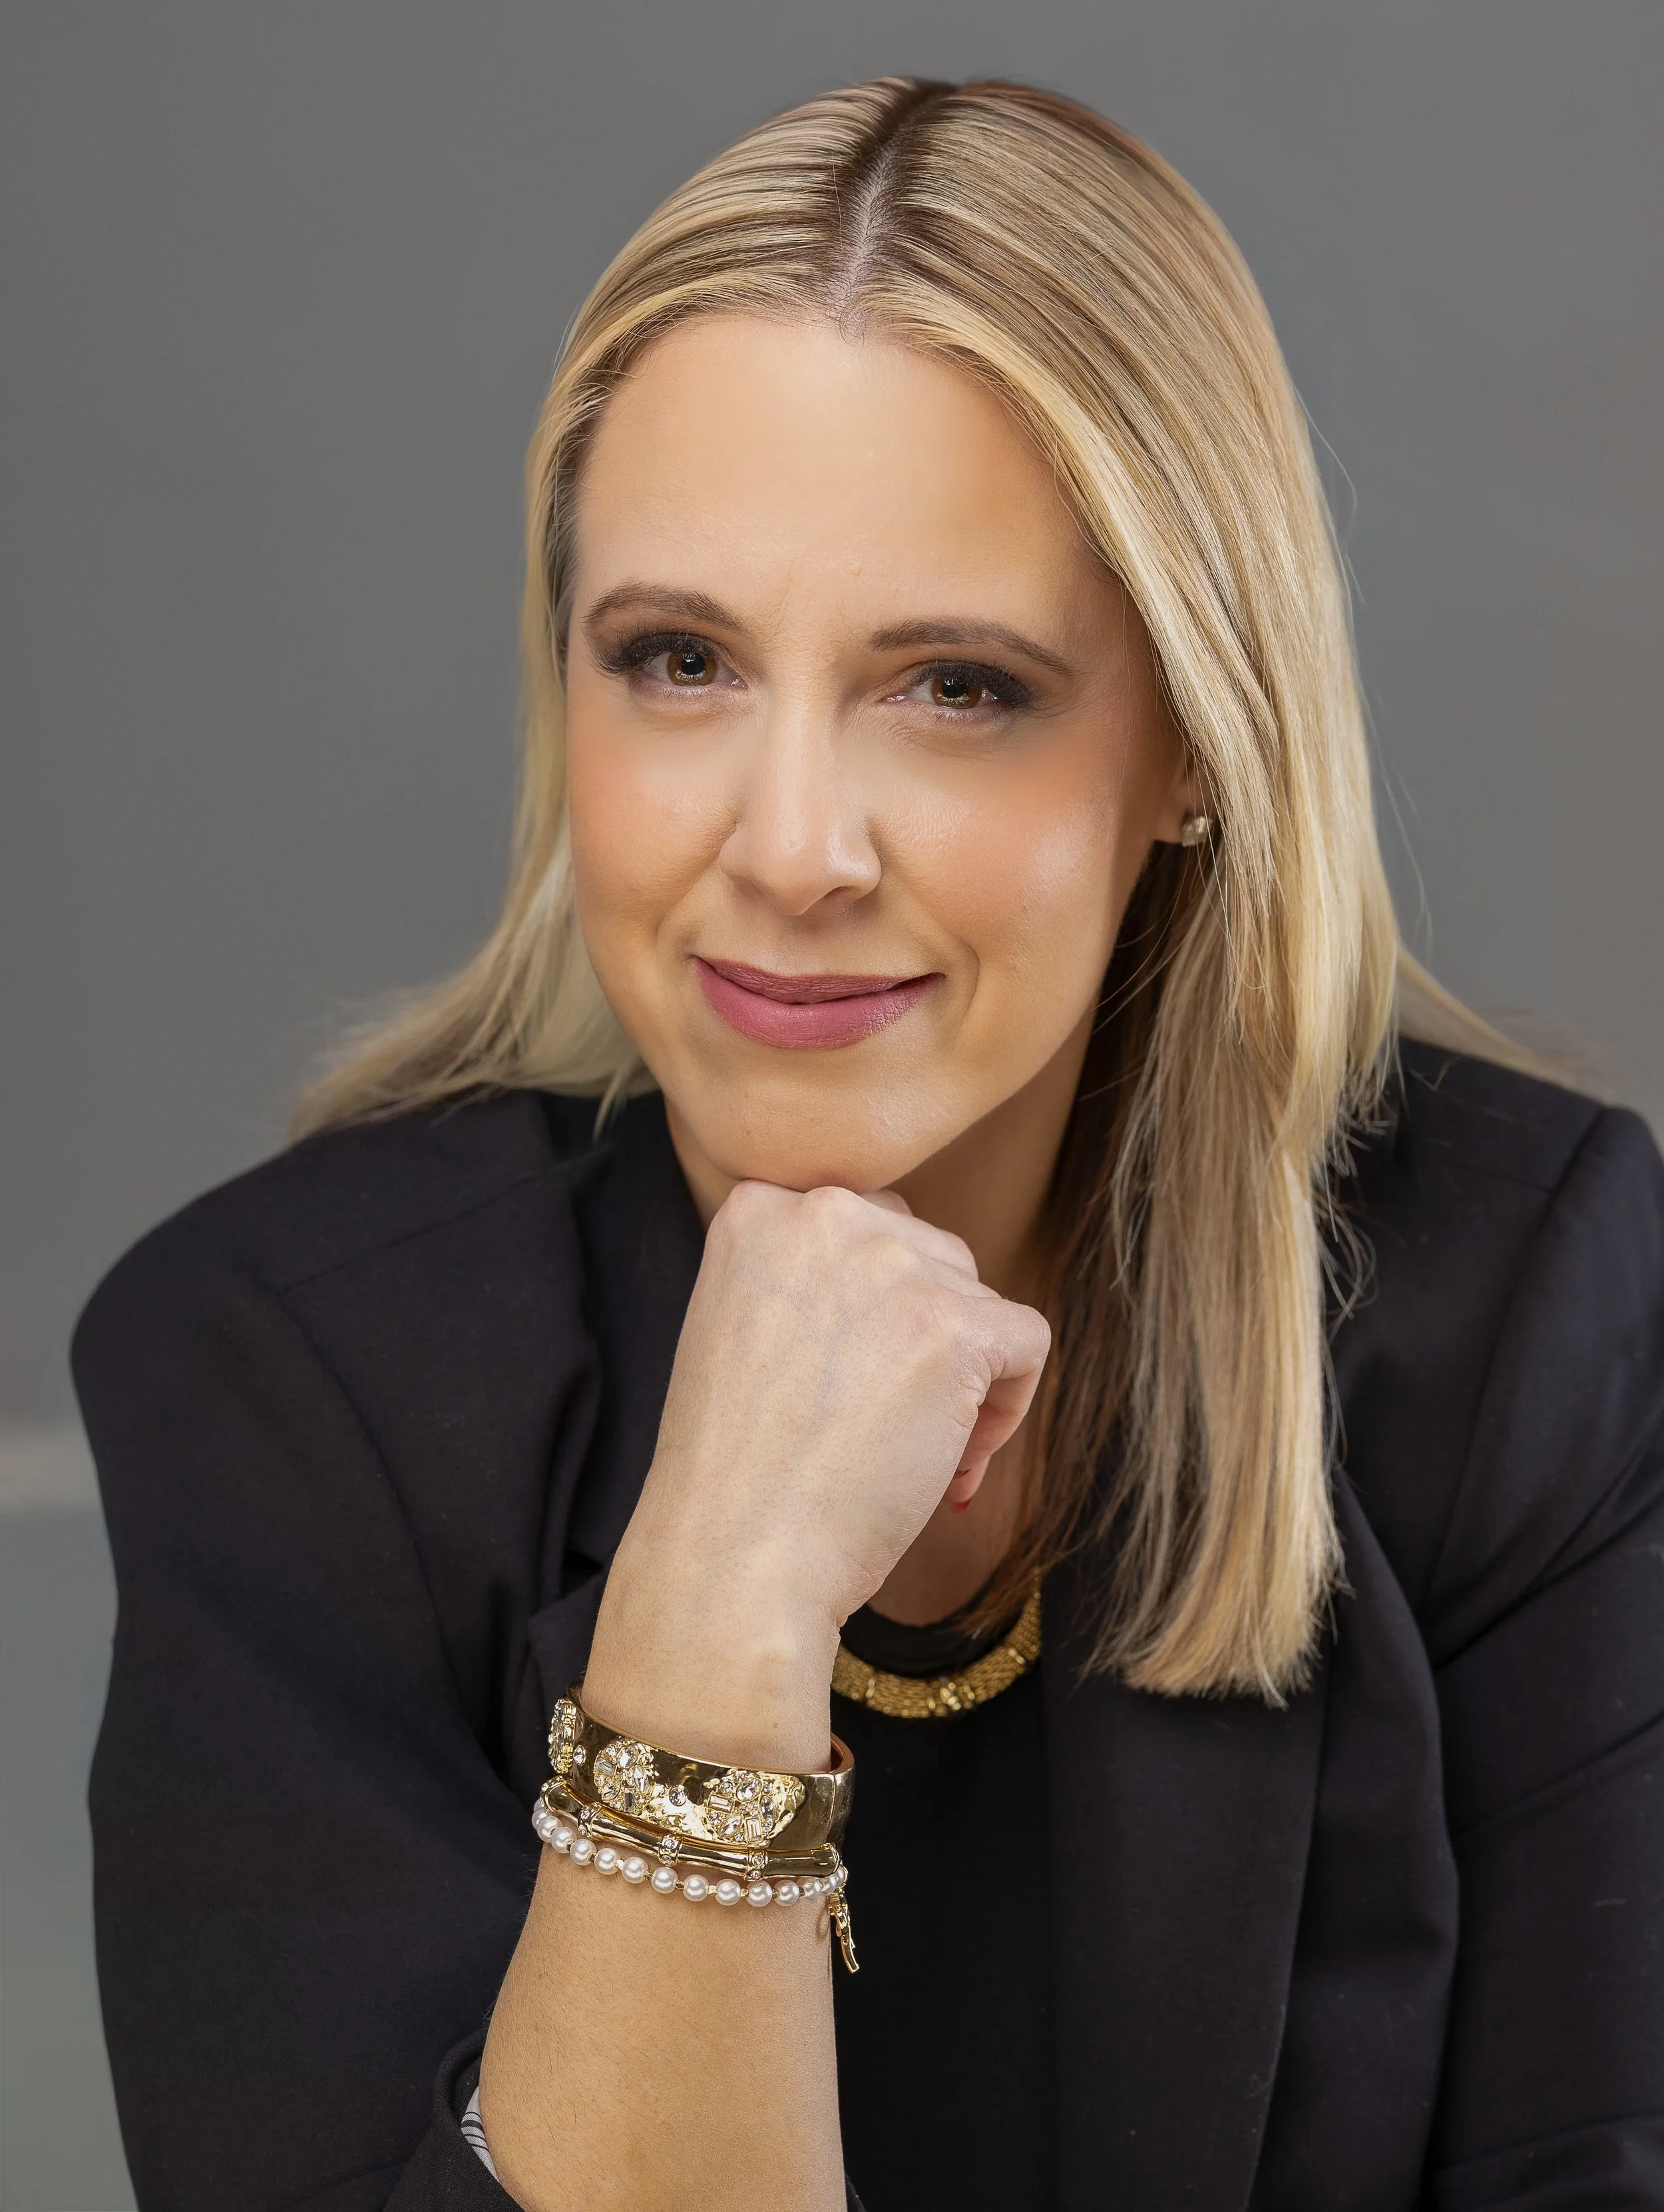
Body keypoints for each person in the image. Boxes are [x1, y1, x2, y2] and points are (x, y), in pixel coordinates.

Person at [72, 76, 1664, 2212]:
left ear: (1196, 738)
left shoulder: (1528, 1313)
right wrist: (710, 1633)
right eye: (679, 660)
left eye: (958, 687)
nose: (792, 847)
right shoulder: (290, 1380)